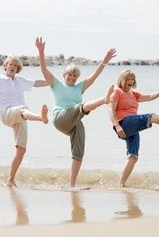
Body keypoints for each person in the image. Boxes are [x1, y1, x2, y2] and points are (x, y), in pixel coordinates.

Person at [35, 37, 116, 188]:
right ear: (64, 75)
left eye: (75, 76)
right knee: (82, 107)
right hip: (60, 118)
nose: (72, 78)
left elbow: (94, 76)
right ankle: (103, 100)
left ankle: (71, 185)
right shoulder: (56, 85)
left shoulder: (79, 88)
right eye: (69, 75)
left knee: (79, 151)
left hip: (73, 122)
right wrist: (41, 52)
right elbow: (44, 71)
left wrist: (104, 61)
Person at [0, 55, 49, 188]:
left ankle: (10, 180)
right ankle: (41, 118)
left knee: (21, 150)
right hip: (6, 113)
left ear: (18, 69)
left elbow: (36, 83)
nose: (13, 67)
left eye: (16, 65)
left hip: (22, 116)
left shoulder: (20, 80)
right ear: (5, 66)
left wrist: (54, 82)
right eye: (11, 64)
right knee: (23, 108)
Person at [108, 69, 159, 187]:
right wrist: (117, 126)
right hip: (123, 124)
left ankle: (120, 185)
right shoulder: (117, 92)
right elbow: (110, 110)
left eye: (132, 79)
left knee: (133, 157)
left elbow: (150, 96)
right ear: (122, 80)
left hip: (132, 126)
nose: (131, 81)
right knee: (151, 116)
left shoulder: (133, 94)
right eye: (128, 79)